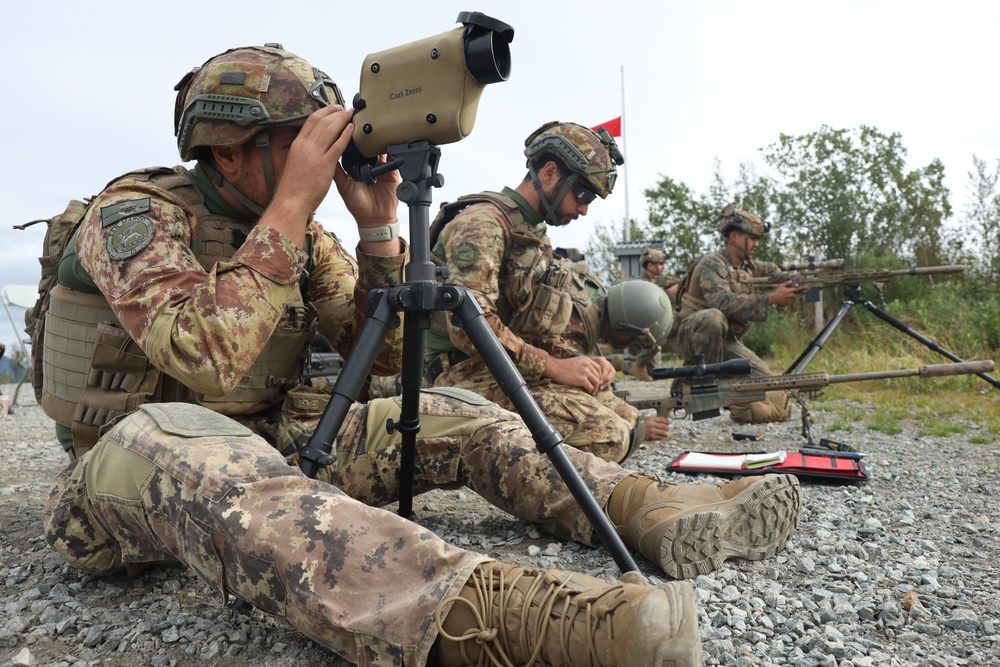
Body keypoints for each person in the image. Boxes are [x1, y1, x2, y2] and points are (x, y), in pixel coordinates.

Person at [40, 45, 802, 666]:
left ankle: (646, 508)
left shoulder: (300, 235)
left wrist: (375, 236)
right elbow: (206, 355)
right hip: (122, 480)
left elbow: (387, 360)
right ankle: (516, 618)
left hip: (275, 454)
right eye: (302, 140)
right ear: (227, 150)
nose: (326, 154)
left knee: (453, 411)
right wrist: (290, 208)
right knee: (172, 438)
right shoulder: (135, 214)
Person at [424, 122, 672, 462]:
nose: (584, 209)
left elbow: (524, 327)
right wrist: (555, 367)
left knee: (627, 416)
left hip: (502, 368)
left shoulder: (532, 234)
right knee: (609, 436)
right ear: (551, 172)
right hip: (461, 375)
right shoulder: (484, 224)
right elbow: (470, 327)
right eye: (583, 194)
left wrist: (576, 360)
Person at [668, 204, 807, 423]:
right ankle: (703, 384)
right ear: (734, 236)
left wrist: (799, 283)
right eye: (752, 239)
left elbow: (777, 274)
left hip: (724, 341)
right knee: (713, 316)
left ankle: (693, 381)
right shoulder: (712, 263)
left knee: (767, 383)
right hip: (690, 335)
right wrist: (771, 298)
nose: (756, 244)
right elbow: (721, 301)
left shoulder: (749, 266)